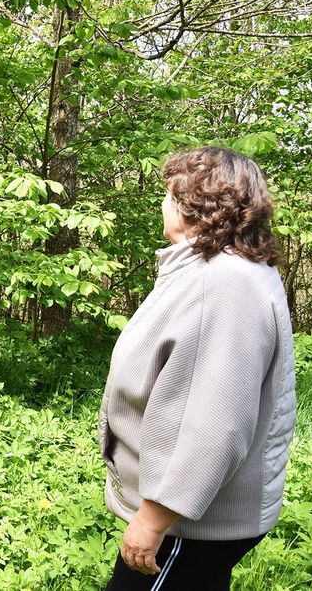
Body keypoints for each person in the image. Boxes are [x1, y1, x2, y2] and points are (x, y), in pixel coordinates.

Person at [98, 146, 297, 590]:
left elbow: (215, 424)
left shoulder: (223, 285)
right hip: (188, 519)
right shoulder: (219, 272)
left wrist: (153, 519)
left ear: (195, 206)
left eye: (169, 194)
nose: (162, 203)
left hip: (188, 525)